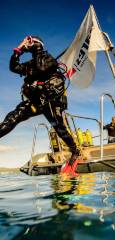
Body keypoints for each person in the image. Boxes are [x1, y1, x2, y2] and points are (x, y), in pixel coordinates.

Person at [0, 36, 80, 174]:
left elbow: (42, 67)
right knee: (13, 118)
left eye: (30, 42)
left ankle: (75, 151)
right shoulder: (30, 64)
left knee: (60, 128)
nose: (27, 44)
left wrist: (35, 48)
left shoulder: (48, 59)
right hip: (36, 101)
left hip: (51, 100)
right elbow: (13, 67)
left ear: (38, 45)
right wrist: (18, 50)